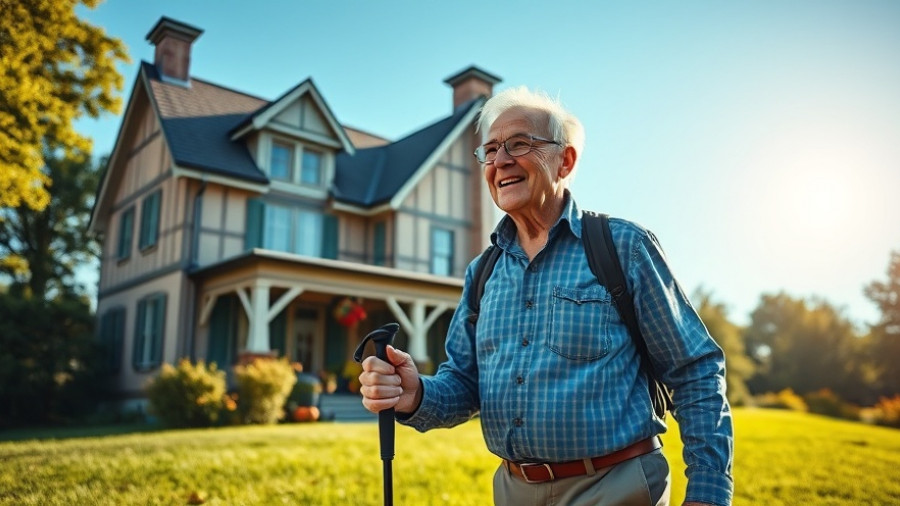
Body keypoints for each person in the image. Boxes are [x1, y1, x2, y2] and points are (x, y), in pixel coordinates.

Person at [359, 86, 733, 506]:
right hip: (513, 490)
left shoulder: (622, 247)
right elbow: (465, 383)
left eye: (519, 144)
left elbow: (695, 371)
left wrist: (708, 492)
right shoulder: (482, 272)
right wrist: (416, 394)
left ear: (565, 160)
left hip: (616, 486)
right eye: (491, 150)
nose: (500, 161)